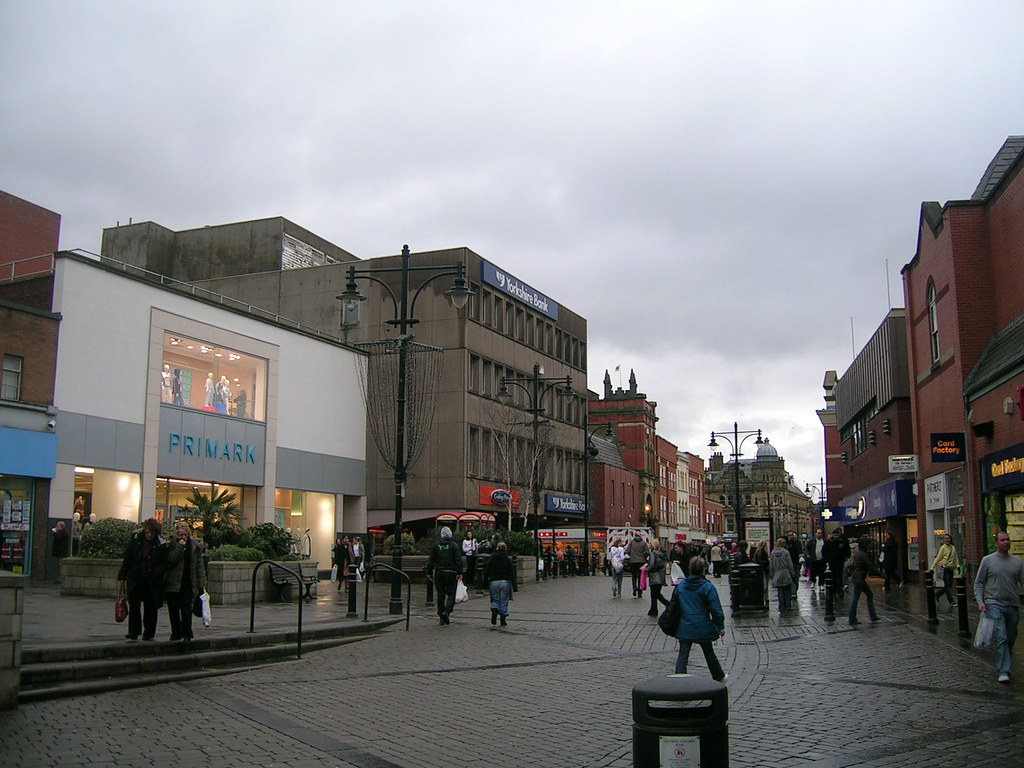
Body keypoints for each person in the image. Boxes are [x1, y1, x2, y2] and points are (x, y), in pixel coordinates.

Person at [974, 531, 1024, 683]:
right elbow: (979, 583)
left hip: (1013, 605)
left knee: (1011, 635)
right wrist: (980, 602)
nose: (1006, 542)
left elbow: (1022, 582)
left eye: (1008, 540)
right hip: (994, 604)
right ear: (996, 544)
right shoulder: (987, 561)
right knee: (1001, 636)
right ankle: (1003, 670)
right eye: (1002, 540)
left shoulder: (1018, 562)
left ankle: (1004, 658)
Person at [671, 557, 727, 682]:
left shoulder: (681, 586)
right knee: (709, 653)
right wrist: (720, 626)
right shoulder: (707, 587)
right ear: (703, 570)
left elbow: (674, 605)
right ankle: (718, 675)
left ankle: (679, 680)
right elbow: (716, 610)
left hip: (685, 624)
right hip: (703, 625)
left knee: (683, 655)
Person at [117, 518, 167, 641]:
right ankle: (134, 631)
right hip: (136, 577)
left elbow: (164, 562)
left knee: (150, 607)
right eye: (147, 532)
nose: (149, 535)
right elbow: (128, 558)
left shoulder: (160, 544)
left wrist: (157, 573)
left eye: (152, 533)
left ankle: (149, 632)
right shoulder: (136, 540)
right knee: (134, 605)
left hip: (151, 579)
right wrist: (122, 575)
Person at [164, 521, 207, 642]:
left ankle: (187, 633)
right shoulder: (171, 545)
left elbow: (199, 565)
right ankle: (176, 632)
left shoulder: (194, 546)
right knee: (173, 609)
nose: (182, 537)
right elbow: (171, 560)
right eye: (180, 535)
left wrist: (202, 583)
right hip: (173, 582)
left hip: (188, 582)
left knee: (186, 608)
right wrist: (180, 546)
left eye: (185, 535)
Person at [426, 526, 463, 625]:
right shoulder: (453, 546)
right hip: (451, 572)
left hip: (439, 572)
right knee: (451, 593)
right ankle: (447, 611)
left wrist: (429, 572)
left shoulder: (436, 546)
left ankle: (441, 615)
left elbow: (431, 560)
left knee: (440, 594)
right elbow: (458, 560)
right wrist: (459, 572)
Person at [847, 536, 880, 625]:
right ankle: (852, 618)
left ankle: (872, 616)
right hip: (859, 578)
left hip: (857, 577)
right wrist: (881, 575)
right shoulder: (863, 555)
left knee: (869, 594)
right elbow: (870, 566)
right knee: (856, 598)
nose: (869, 546)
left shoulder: (858, 553)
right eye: (869, 544)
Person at [483, 541, 517, 626]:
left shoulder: (492, 558)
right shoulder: (507, 559)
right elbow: (512, 573)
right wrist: (514, 586)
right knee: (504, 601)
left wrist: (484, 583)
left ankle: (494, 610)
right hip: (505, 582)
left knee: (495, 599)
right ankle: (503, 619)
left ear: (497, 548)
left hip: (494, 582)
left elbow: (487, 571)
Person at [931, 533, 959, 609]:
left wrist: (958, 566)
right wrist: (933, 567)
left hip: (951, 569)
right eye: (945, 538)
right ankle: (952, 601)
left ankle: (937, 594)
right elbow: (938, 558)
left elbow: (955, 558)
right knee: (947, 586)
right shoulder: (943, 548)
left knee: (949, 586)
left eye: (948, 538)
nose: (947, 540)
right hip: (945, 569)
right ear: (944, 540)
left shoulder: (953, 547)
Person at [643, 540, 670, 616]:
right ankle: (653, 609)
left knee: (655, 594)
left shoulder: (652, 553)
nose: (649, 545)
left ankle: (667, 605)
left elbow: (651, 564)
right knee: (656, 594)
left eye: (650, 543)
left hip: (654, 576)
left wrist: (645, 569)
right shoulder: (661, 553)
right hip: (660, 577)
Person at [769, 538, 797, 612]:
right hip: (785, 572)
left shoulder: (773, 553)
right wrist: (792, 573)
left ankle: (781, 606)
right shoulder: (786, 552)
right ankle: (788, 606)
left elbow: (771, 565)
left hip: (777, 573)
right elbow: (790, 563)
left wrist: (772, 574)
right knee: (787, 590)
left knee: (780, 591)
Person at [823, 529, 851, 594]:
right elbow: (824, 551)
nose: (835, 536)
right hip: (831, 562)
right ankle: (834, 589)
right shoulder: (829, 542)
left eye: (837, 535)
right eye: (834, 535)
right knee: (833, 576)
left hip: (840, 561)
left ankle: (839, 590)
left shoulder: (842, 542)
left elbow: (847, 550)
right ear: (832, 535)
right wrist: (827, 559)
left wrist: (845, 557)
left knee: (838, 576)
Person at [626, 533, 650, 598]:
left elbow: (627, 551)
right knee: (640, 576)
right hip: (641, 562)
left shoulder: (631, 543)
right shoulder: (644, 543)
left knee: (634, 576)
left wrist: (632, 556)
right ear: (640, 536)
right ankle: (639, 591)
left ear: (635, 535)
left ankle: (634, 588)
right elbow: (647, 552)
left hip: (633, 562)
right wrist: (643, 557)